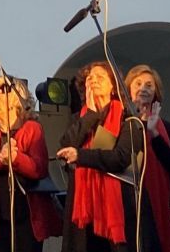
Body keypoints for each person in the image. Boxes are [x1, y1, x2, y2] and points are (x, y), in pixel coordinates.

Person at [56, 62, 144, 252]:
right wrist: (91, 116)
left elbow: (120, 158)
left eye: (100, 77)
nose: (94, 81)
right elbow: (65, 146)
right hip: (84, 208)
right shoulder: (79, 118)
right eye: (90, 78)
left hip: (116, 206)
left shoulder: (128, 117)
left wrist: (81, 155)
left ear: (113, 85)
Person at [0, 77, 62, 252]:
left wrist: (15, 158)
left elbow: (39, 169)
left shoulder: (32, 128)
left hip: (27, 217)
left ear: (15, 97)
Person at [123, 65, 170, 252]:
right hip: (130, 200)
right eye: (138, 83)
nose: (144, 88)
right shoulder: (119, 124)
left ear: (156, 91)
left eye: (149, 85)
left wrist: (154, 131)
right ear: (128, 89)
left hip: (161, 198)